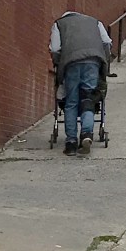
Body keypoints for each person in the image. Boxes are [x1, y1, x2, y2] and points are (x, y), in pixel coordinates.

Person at [50, 11, 112, 156]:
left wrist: (59, 63)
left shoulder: (59, 24)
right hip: (93, 62)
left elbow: (54, 49)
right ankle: (86, 134)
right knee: (88, 98)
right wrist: (104, 62)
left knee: (71, 101)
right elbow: (107, 42)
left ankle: (71, 143)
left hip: (71, 63)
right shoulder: (95, 21)